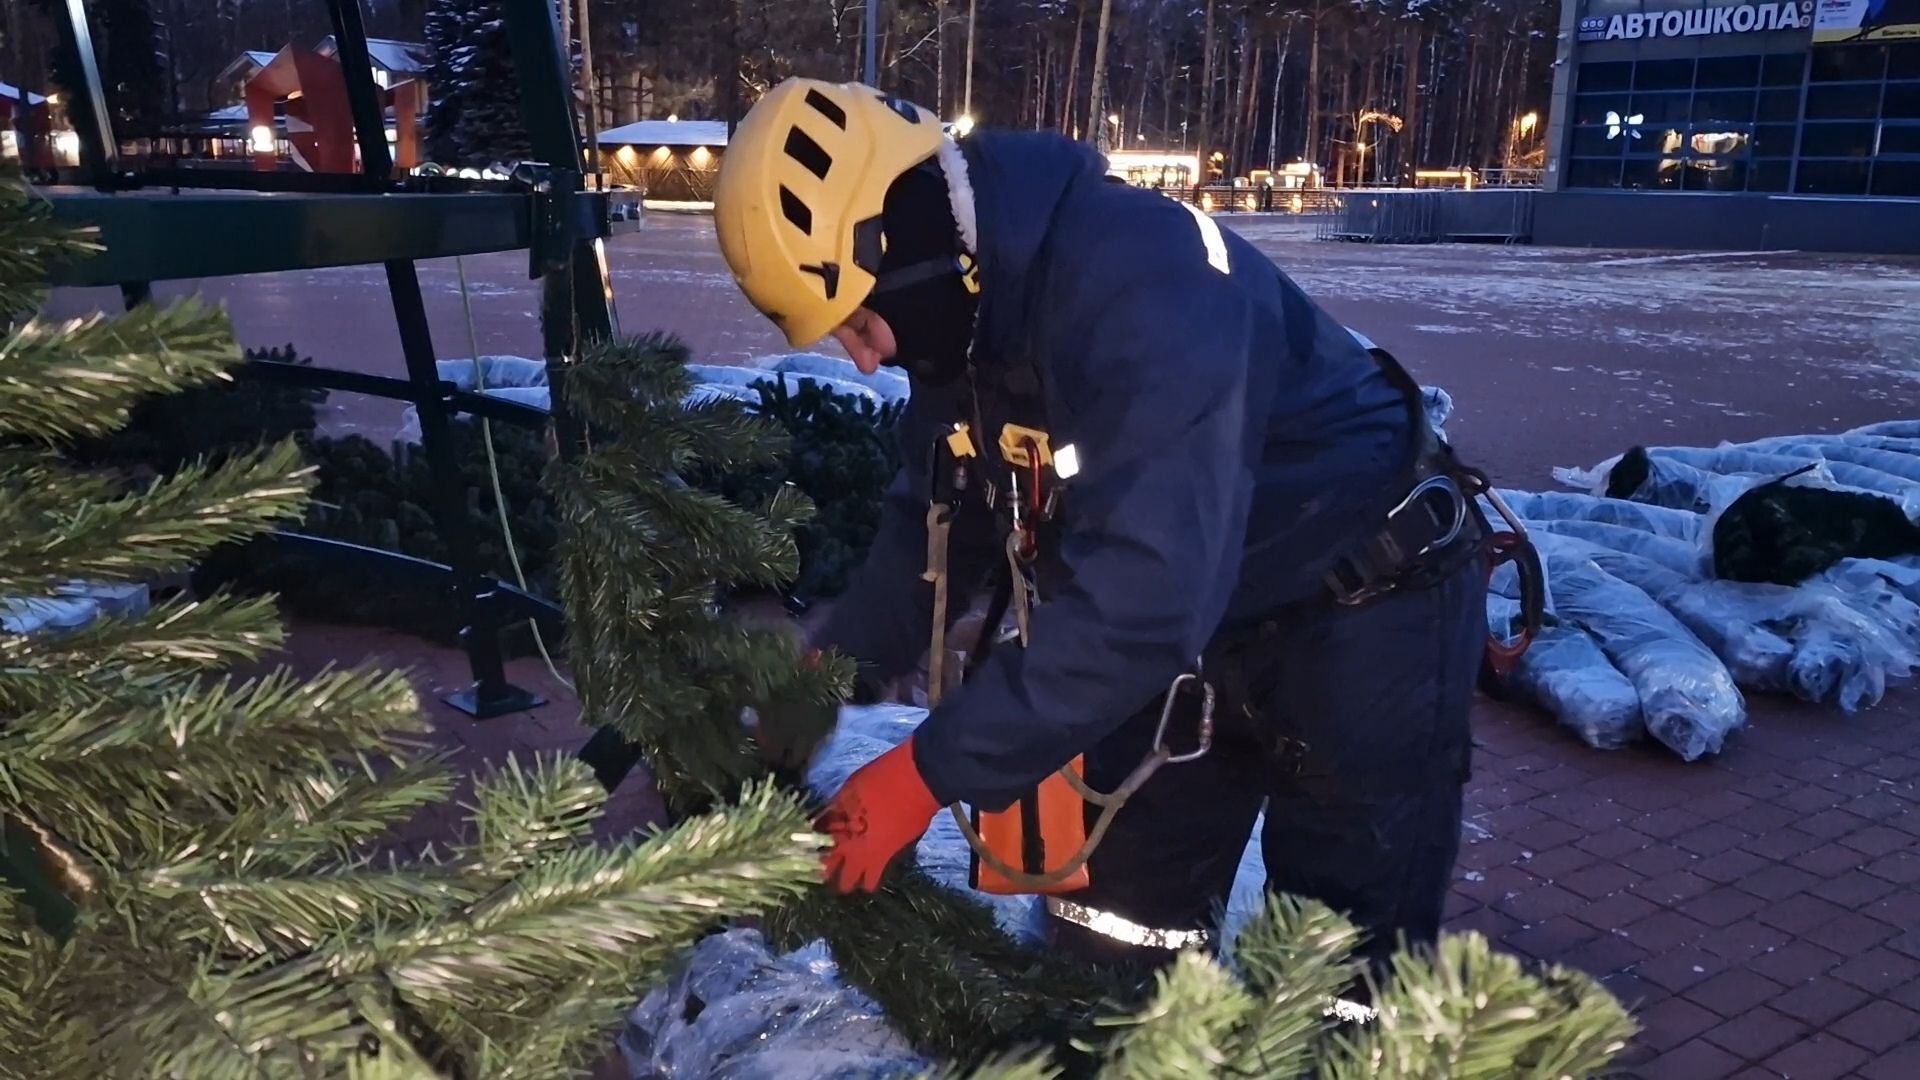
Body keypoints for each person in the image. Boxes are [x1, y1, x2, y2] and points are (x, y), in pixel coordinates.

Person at [713, 78, 1501, 978]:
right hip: (1202, 628)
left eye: (859, 317)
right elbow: (931, 526)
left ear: (907, 232)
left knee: (1333, 976)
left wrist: (923, 773)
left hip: (1366, 615)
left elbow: (1141, 599)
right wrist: (829, 667)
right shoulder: (963, 319)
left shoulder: (1144, 287)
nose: (868, 355)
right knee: (1120, 934)